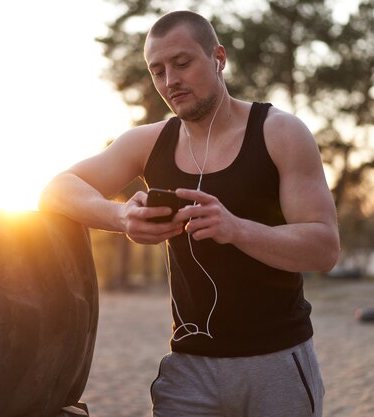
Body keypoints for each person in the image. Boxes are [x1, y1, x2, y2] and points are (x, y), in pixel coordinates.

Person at [39, 10, 339, 417]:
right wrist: (121, 217)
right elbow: (57, 189)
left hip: (277, 361)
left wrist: (237, 229)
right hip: (189, 368)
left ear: (218, 57)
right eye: (157, 70)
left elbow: (324, 248)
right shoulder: (146, 143)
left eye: (182, 63)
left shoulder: (280, 133)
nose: (170, 81)